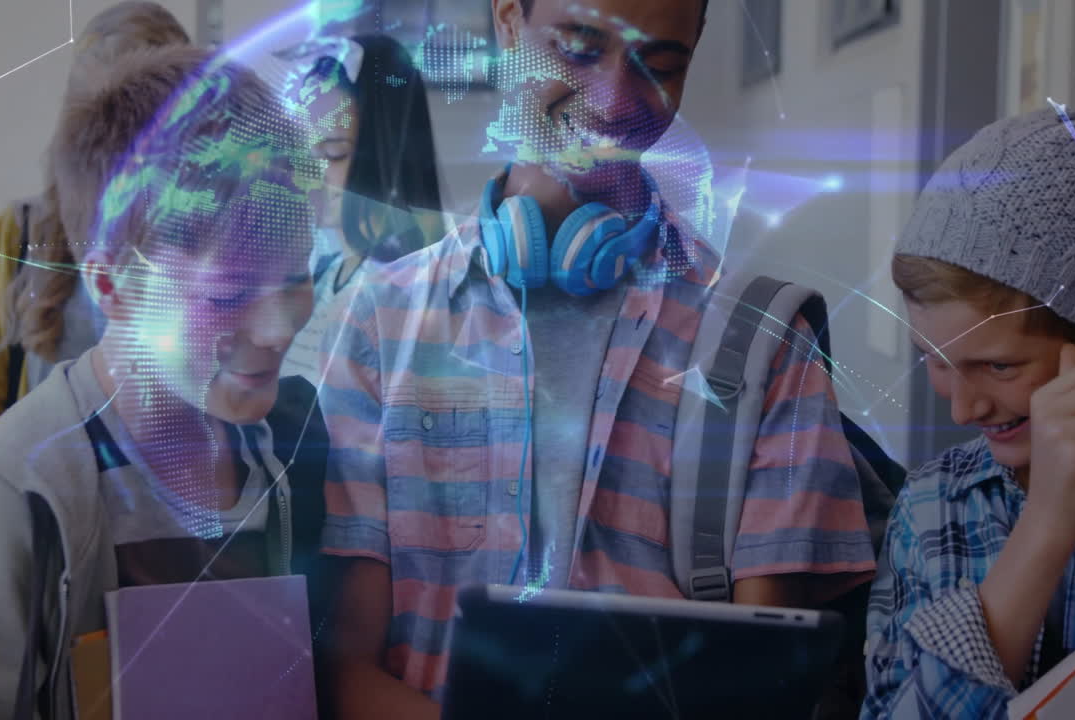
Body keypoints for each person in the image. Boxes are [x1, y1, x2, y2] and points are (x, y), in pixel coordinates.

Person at [317, 0, 876, 717]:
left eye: (659, 65)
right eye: (580, 50)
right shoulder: (382, 316)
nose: (615, 100)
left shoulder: (765, 340)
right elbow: (345, 669)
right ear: (510, 25)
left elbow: (758, 691)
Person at [0, 46, 327, 719]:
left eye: (295, 277)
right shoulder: (2, 505)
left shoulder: (280, 464)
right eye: (231, 295)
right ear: (112, 286)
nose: (279, 330)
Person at [863, 109, 1075, 719]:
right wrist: (1045, 527)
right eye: (935, 362)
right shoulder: (936, 507)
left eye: (999, 367)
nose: (963, 409)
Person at [0, 1, 190, 448]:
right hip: (44, 500)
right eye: (102, 110)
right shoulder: (15, 235)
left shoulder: (210, 240)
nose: (120, 137)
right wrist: (13, 475)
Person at [276, 33, 446, 382]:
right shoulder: (325, 272)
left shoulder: (404, 292)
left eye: (333, 154)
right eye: (303, 154)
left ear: (387, 155)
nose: (308, 176)